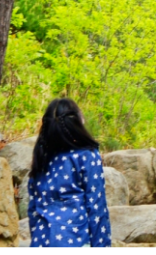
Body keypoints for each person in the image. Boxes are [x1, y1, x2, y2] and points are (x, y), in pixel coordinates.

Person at [27, 98, 111, 248]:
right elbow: (97, 209)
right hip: (75, 240)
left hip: (41, 241)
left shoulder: (42, 158)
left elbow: (33, 210)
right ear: (76, 122)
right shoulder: (86, 156)